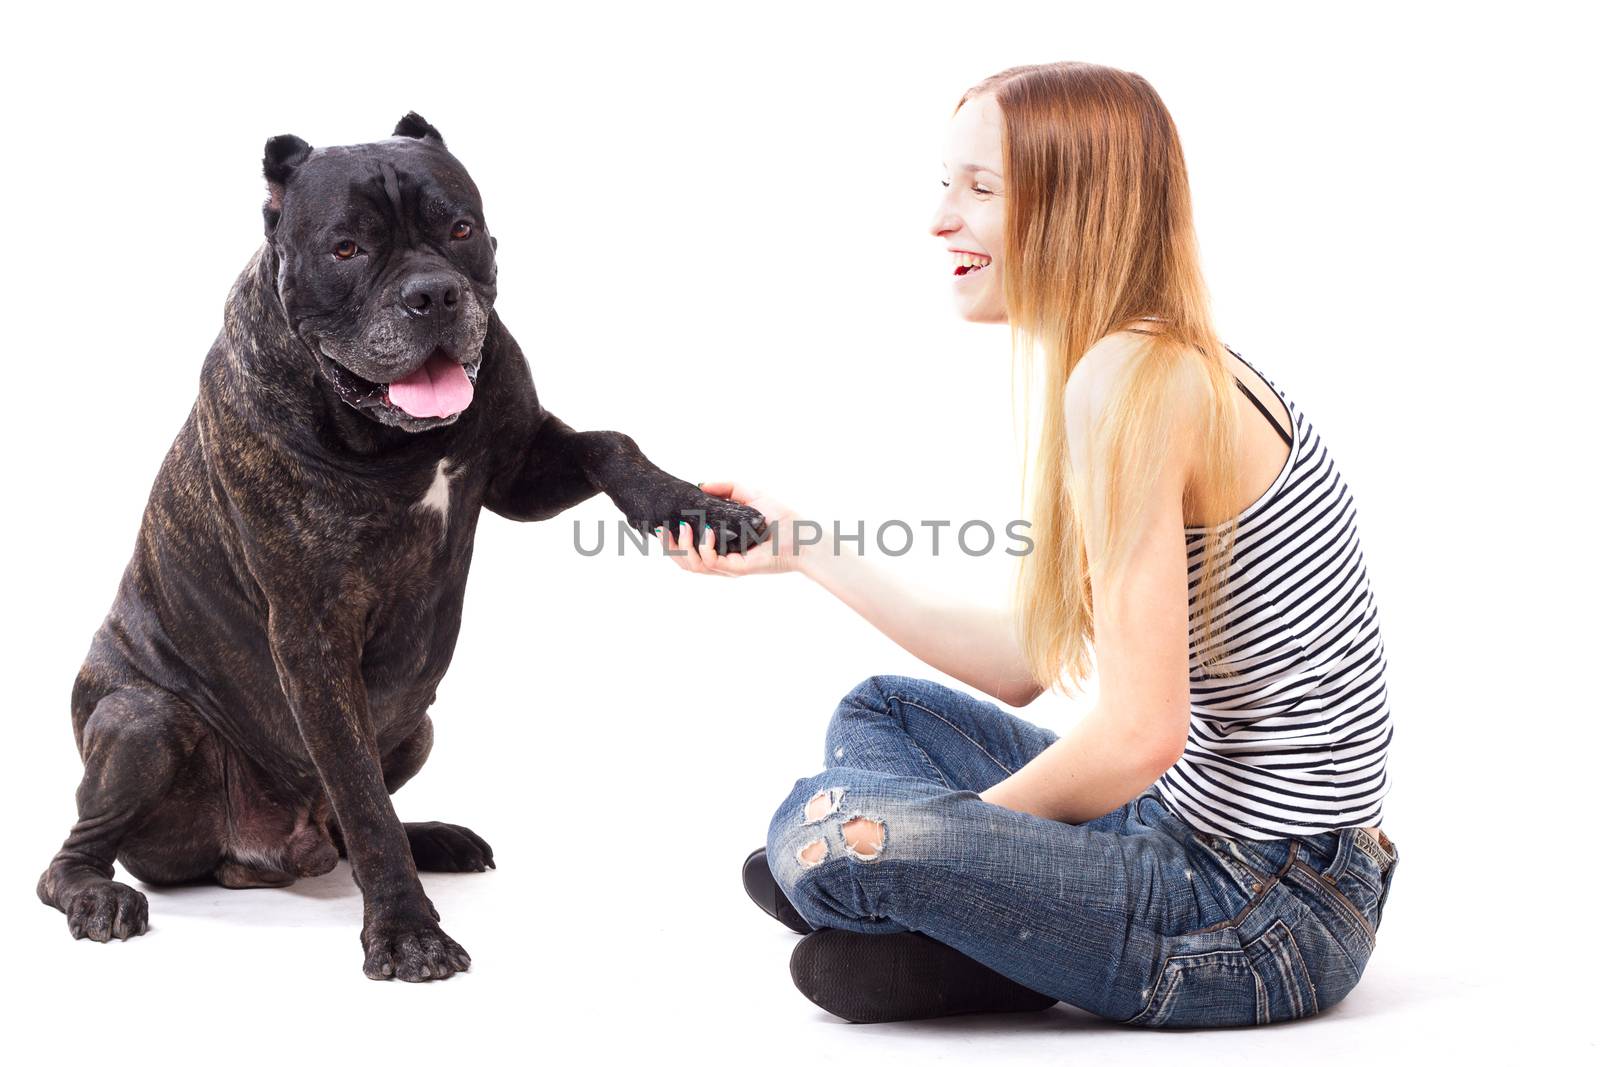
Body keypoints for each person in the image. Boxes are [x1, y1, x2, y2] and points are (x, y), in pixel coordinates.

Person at [657, 60, 1398, 1027]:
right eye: (945, 183)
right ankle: (977, 926)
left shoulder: (1137, 379)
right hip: (1183, 825)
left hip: (1266, 910)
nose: (939, 219)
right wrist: (802, 545)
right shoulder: (1133, 359)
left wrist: (945, 838)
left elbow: (1140, 734)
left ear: (1075, 206)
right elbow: (1023, 666)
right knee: (880, 712)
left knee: (822, 837)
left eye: (980, 189)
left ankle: (955, 916)